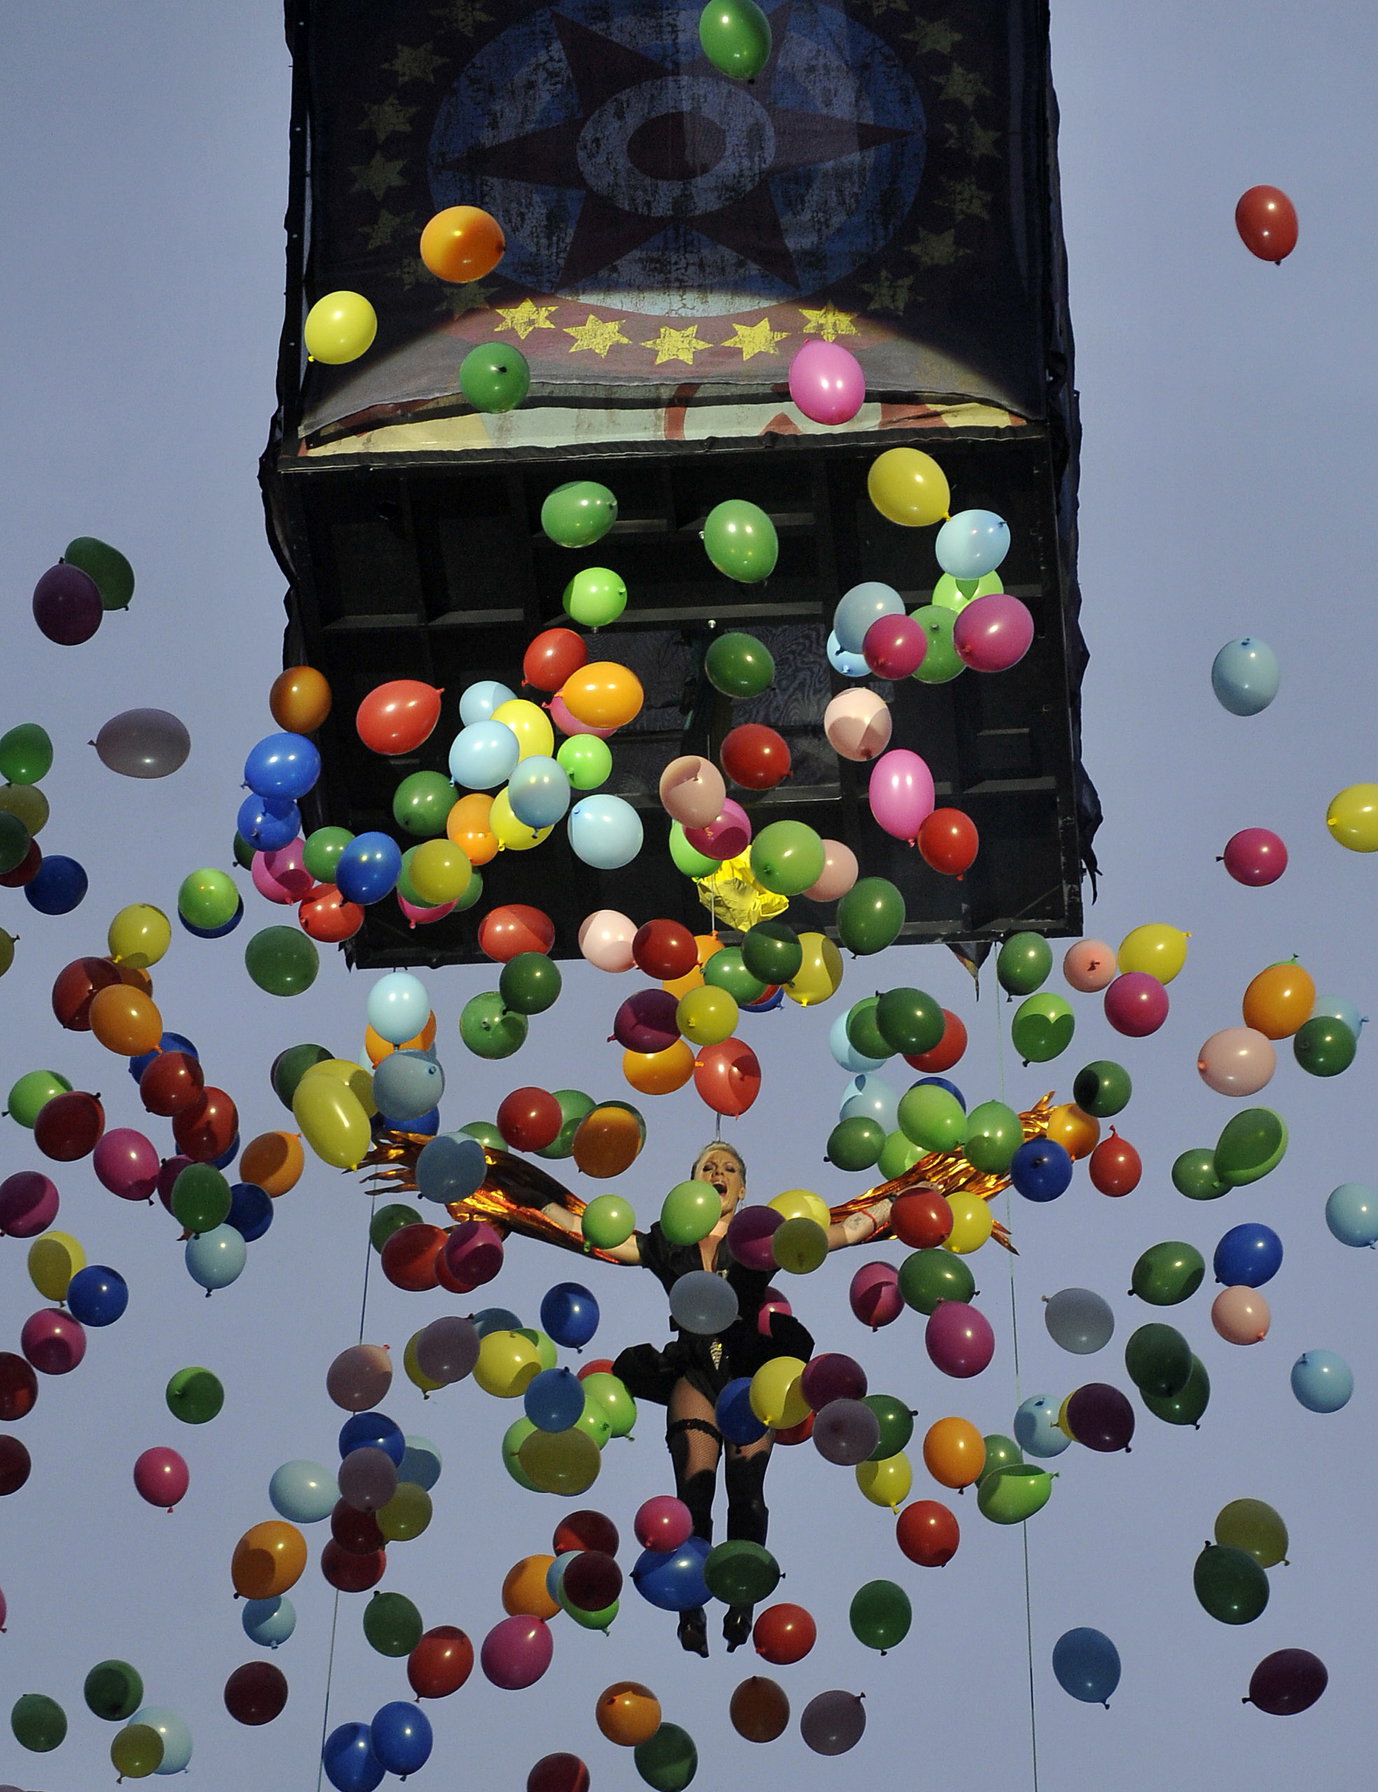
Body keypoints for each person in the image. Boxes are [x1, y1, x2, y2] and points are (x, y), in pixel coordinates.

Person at [543, 1139, 898, 1655]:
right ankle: (690, 1610)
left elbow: (836, 1234)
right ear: (693, 1183)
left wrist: (891, 1207)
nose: (718, 1171)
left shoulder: (760, 1236)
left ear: (742, 1188)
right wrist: (539, 1206)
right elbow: (603, 1239)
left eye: (729, 1166)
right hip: (692, 1371)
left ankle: (742, 1599)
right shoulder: (669, 1240)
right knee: (695, 1491)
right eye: (708, 1165)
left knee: (747, 1489)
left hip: (752, 1373)